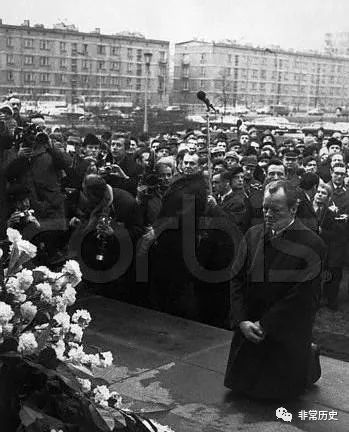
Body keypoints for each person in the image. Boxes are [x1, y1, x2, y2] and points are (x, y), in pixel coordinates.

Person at [224, 180, 325, 400]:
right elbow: (237, 279)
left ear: (293, 209)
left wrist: (265, 324)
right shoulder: (252, 234)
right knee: (242, 391)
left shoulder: (312, 244)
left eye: (276, 210)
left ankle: (309, 361)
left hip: (283, 334)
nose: (268, 215)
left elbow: (303, 297)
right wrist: (241, 320)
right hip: (249, 328)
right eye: (265, 209)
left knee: (276, 396)